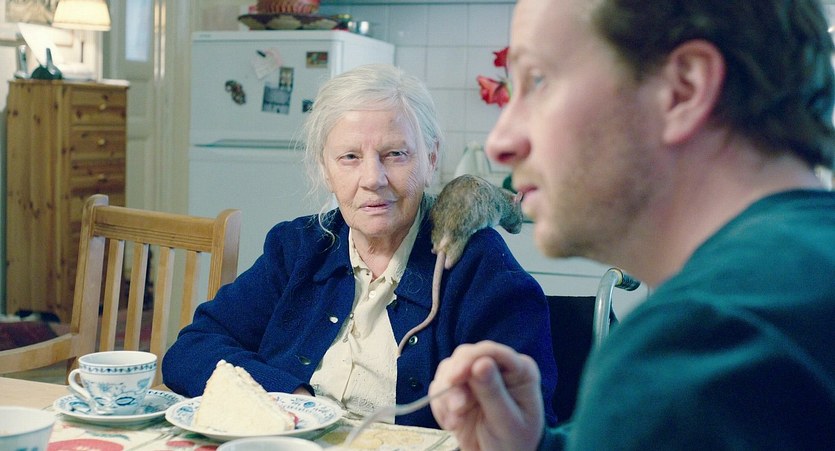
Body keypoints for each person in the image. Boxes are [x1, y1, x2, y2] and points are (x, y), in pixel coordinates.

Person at [428, 0, 835, 449]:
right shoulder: (801, 288)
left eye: (538, 80)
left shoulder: (703, 342)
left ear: (682, 89)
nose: (499, 142)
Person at [162, 64, 558, 428]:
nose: (373, 178)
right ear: (325, 169)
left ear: (431, 158)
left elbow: (525, 424)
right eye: (350, 157)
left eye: (395, 154)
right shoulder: (298, 247)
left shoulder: (480, 266)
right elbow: (191, 350)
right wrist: (291, 399)